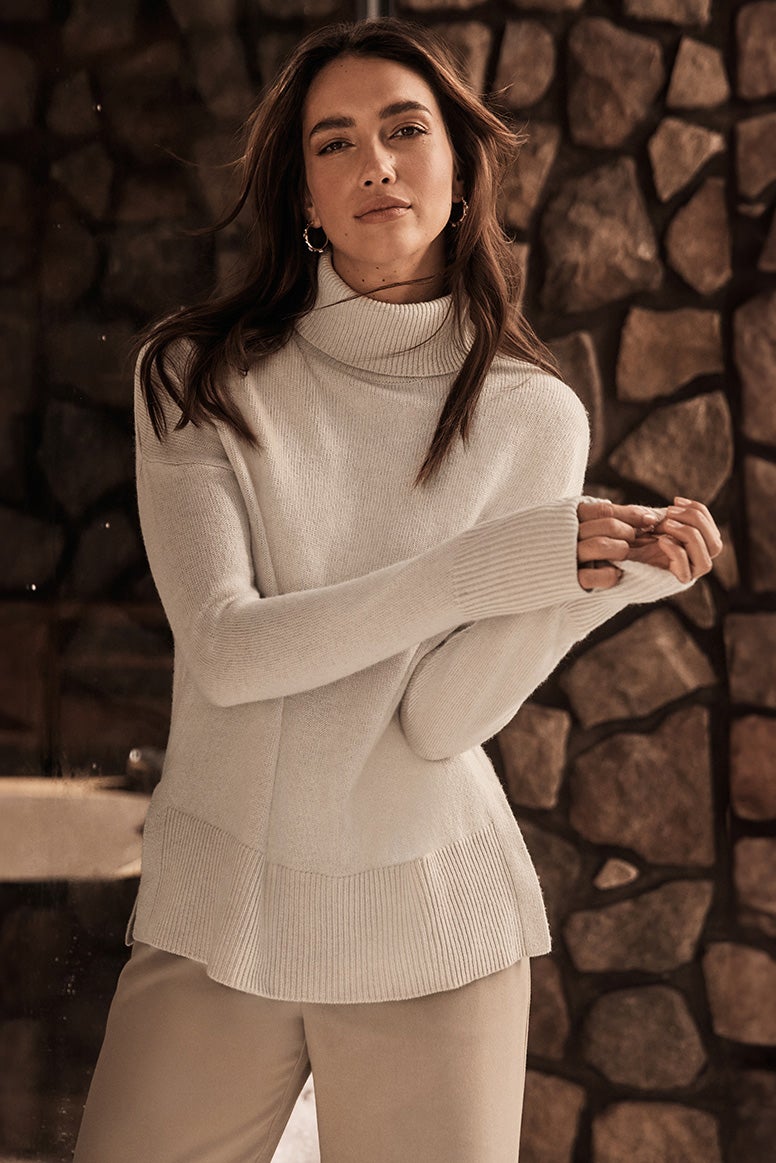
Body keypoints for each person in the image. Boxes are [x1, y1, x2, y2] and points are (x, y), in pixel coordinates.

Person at [72, 17, 722, 1163]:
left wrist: (595, 586)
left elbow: (440, 718)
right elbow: (228, 650)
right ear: (304, 199)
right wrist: (486, 563)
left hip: (433, 923)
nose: (374, 161)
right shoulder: (198, 374)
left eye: (403, 128)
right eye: (334, 143)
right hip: (219, 909)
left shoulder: (534, 415)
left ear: (460, 169)